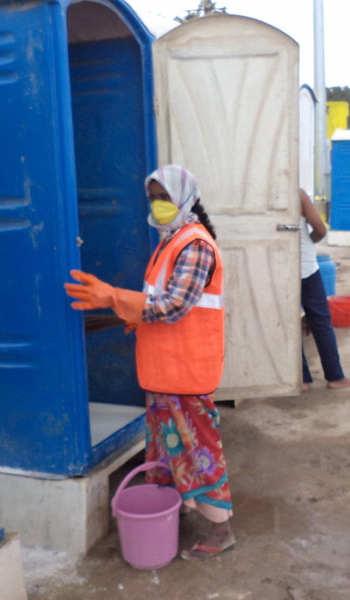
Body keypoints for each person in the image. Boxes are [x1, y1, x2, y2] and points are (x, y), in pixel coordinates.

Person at [64, 165, 236, 561]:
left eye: (164, 197)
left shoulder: (195, 245)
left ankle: (222, 529)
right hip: (164, 371)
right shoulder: (170, 240)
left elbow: (174, 305)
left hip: (187, 372)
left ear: (185, 198)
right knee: (168, 450)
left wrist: (114, 299)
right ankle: (178, 513)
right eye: (153, 198)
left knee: (199, 451)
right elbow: (156, 303)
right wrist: (131, 316)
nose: (158, 205)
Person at [298, 188, 350, 392]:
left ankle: (302, 379)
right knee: (321, 322)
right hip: (305, 266)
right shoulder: (297, 194)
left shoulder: (259, 195)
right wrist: (308, 240)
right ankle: (335, 376)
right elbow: (320, 230)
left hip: (278, 268)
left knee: (287, 323)